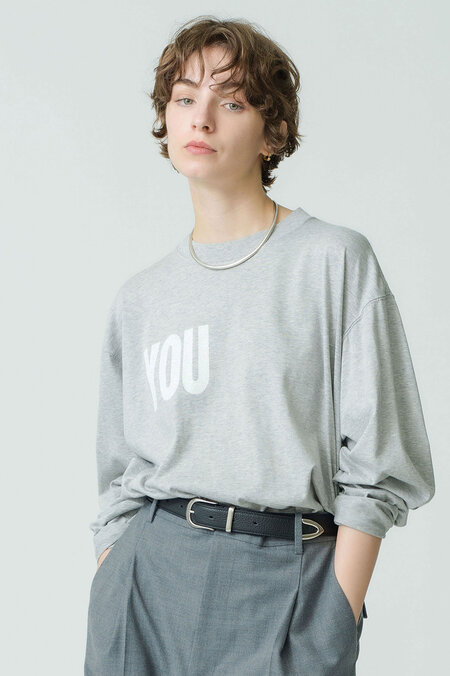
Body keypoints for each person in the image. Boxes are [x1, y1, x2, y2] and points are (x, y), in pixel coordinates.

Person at [84, 16, 435, 676]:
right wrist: (114, 574)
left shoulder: (332, 260)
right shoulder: (141, 298)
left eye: (232, 102)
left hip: (286, 579)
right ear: (166, 119)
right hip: (145, 586)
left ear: (273, 132)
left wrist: (335, 614)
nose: (201, 118)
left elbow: (382, 462)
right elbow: (118, 478)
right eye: (184, 98)